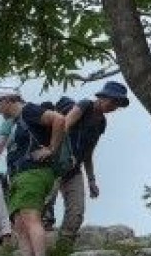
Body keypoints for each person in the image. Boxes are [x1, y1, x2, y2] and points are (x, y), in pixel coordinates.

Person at [0, 88, 65, 256]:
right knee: (19, 223)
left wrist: (51, 149)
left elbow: (59, 119)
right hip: (21, 174)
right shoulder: (17, 120)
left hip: (33, 172)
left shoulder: (28, 110)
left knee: (30, 216)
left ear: (8, 100)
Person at [51, 79, 131, 247]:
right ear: (102, 96)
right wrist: (62, 153)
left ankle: (62, 247)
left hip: (74, 169)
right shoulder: (84, 105)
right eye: (113, 101)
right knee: (45, 204)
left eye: (118, 104)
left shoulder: (101, 123)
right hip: (56, 164)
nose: (114, 106)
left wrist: (92, 181)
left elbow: (89, 153)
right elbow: (64, 126)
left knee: (77, 210)